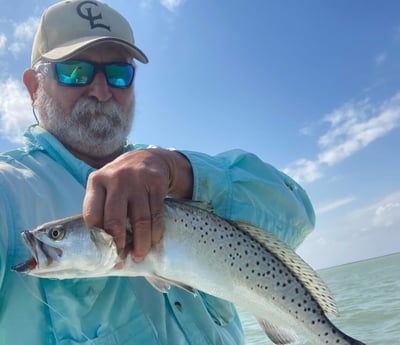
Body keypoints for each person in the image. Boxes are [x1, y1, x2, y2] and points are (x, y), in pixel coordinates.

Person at [0, 1, 315, 344]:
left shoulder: (174, 173)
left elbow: (297, 215)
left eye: (120, 74)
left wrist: (181, 170)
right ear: (34, 87)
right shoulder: (7, 191)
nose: (102, 91)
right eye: (75, 71)